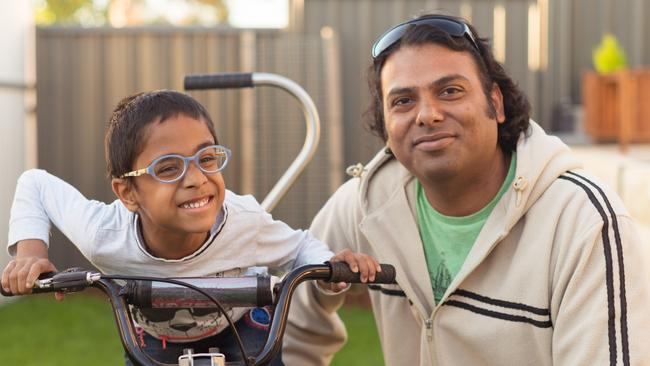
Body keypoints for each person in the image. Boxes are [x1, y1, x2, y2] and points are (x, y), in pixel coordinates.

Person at [283, 14, 650, 366]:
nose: (427, 114)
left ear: (496, 103)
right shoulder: (366, 204)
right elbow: (290, 329)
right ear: (385, 125)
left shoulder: (584, 224)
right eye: (403, 101)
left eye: (450, 91)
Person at [0, 90, 381, 365]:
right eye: (168, 168)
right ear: (128, 192)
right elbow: (35, 183)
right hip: (154, 342)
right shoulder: (105, 233)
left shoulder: (244, 221)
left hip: (243, 331)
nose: (196, 178)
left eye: (207, 158)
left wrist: (331, 267)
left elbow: (299, 246)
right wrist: (31, 252)